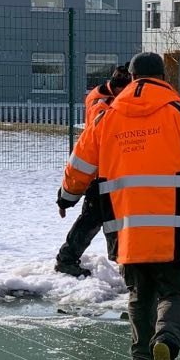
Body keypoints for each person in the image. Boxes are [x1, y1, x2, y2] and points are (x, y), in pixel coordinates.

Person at [58, 52, 180, 360]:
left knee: (139, 293)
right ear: (163, 77)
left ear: (131, 78)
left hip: (125, 225)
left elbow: (80, 166)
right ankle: (166, 341)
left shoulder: (106, 117)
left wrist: (66, 197)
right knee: (174, 290)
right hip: (172, 224)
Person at [55, 64, 131, 277]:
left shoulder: (102, 97)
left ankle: (68, 258)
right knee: (96, 220)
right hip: (103, 173)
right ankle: (67, 259)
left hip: (105, 172)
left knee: (95, 219)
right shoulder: (102, 105)